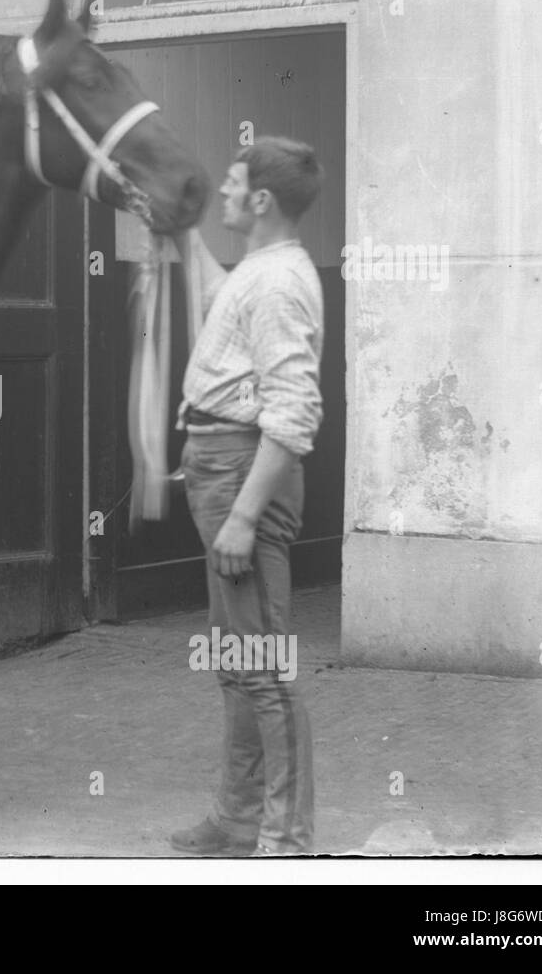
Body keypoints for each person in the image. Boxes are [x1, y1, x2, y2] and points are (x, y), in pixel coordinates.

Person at [168, 137, 324, 856]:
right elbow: (209, 293)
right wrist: (177, 229)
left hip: (241, 473)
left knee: (263, 663)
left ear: (261, 199)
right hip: (219, 465)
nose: (223, 194)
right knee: (237, 656)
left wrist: (243, 514)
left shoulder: (279, 282)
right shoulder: (258, 271)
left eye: (231, 185)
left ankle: (287, 838)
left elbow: (293, 414)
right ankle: (236, 818)